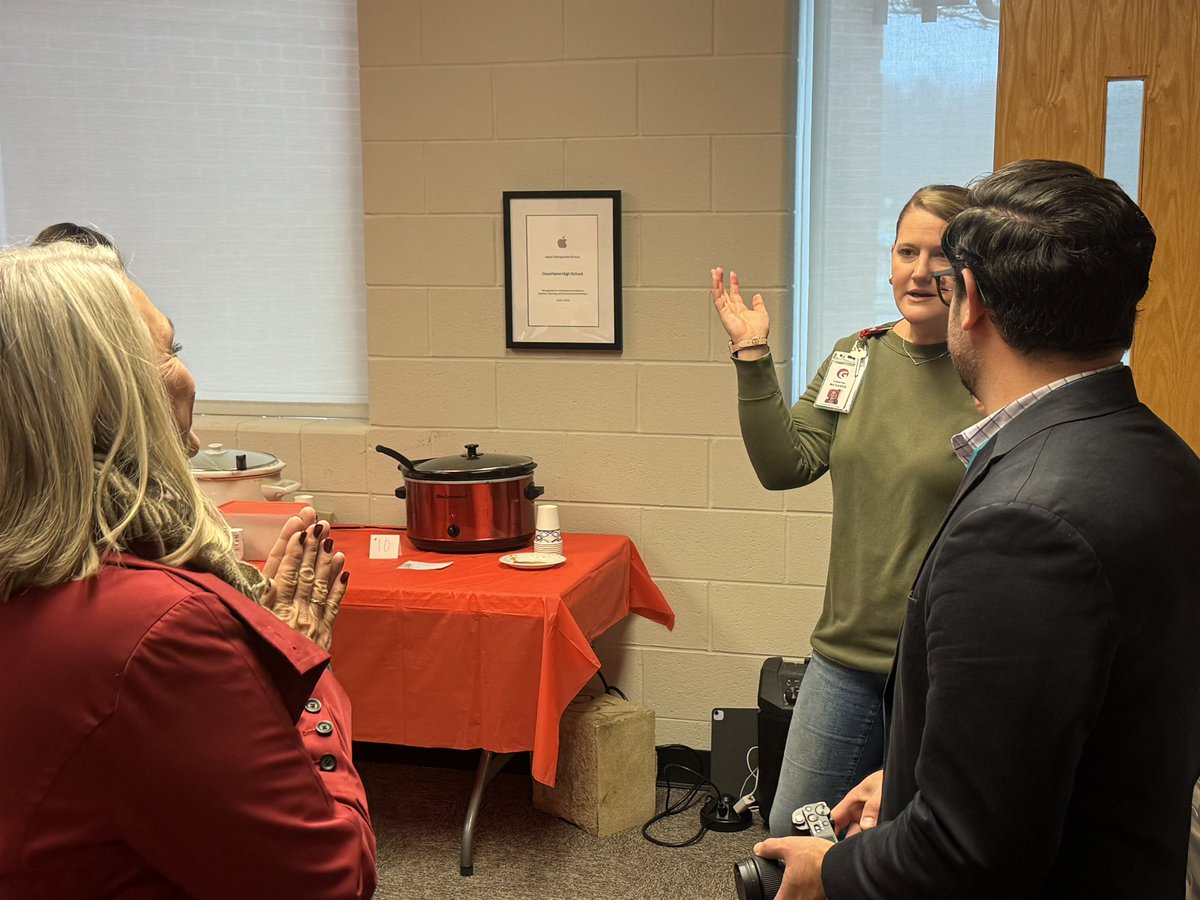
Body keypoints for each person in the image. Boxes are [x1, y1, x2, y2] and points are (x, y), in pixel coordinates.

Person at [757, 159, 1200, 897]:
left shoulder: (1021, 527)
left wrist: (835, 870)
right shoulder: (1164, 457)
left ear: (972, 304)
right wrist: (912, 774)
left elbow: (965, 853)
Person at [0, 240, 377, 898]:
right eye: (171, 350)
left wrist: (253, 686)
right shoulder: (155, 631)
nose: (187, 377)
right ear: (114, 396)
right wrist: (309, 691)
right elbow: (326, 881)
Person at [711, 184, 978, 836]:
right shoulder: (856, 354)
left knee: (912, 847)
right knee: (792, 829)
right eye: (905, 250)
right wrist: (752, 356)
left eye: (939, 254)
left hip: (944, 666)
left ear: (971, 269)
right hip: (845, 657)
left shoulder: (988, 369)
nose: (918, 271)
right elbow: (786, 464)